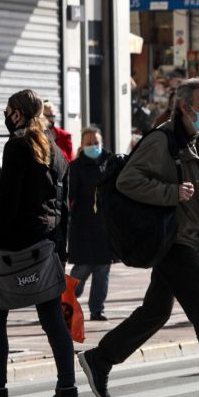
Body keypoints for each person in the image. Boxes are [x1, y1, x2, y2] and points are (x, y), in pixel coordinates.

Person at [76, 78, 199, 397]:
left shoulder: (193, 140)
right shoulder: (162, 141)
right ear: (184, 107)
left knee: (156, 311)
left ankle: (99, 360)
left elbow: (194, 188)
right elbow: (129, 180)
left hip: (185, 238)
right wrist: (171, 193)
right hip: (171, 241)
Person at [0, 92, 83, 397]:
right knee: (53, 319)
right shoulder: (56, 152)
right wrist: (62, 250)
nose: (5, 114)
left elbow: (9, 203)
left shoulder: (18, 147)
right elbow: (63, 208)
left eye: (7, 110)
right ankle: (68, 390)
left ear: (17, 114)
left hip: (17, 245)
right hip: (47, 245)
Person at [68, 125, 114, 322]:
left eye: (96, 143)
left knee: (102, 271)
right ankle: (67, 301)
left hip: (106, 226)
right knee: (82, 268)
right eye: (89, 143)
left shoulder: (111, 163)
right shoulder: (76, 166)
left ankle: (97, 309)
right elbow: (71, 196)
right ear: (82, 145)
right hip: (83, 225)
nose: (93, 146)